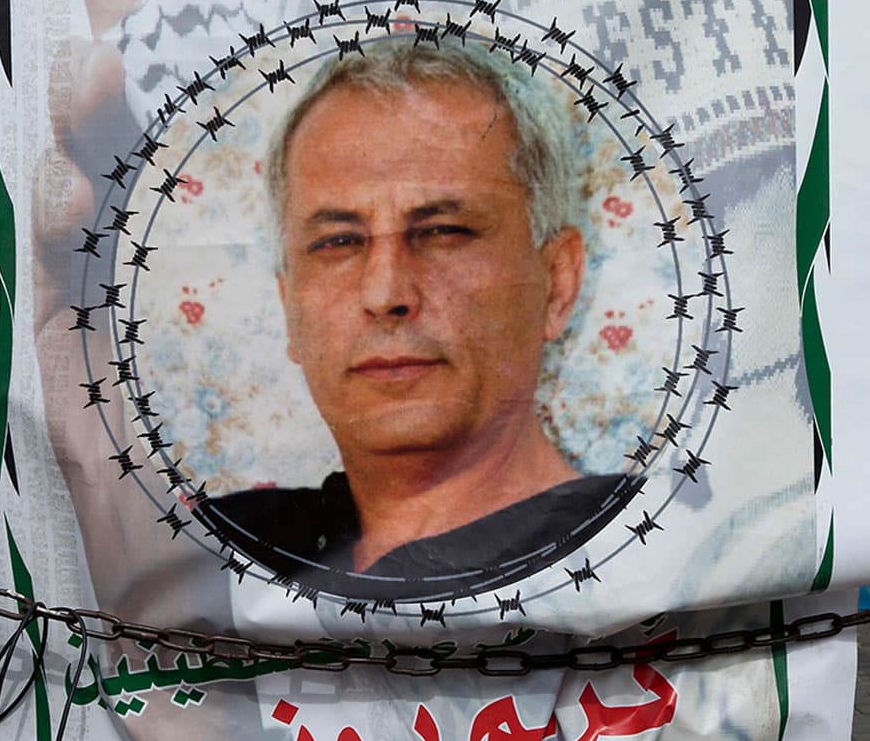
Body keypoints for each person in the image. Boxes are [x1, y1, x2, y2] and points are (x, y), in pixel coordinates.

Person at [204, 39, 640, 598]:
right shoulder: (225, 548)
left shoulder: (658, 552)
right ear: (289, 308)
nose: (386, 293)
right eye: (338, 241)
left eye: (442, 232)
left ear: (557, 283)